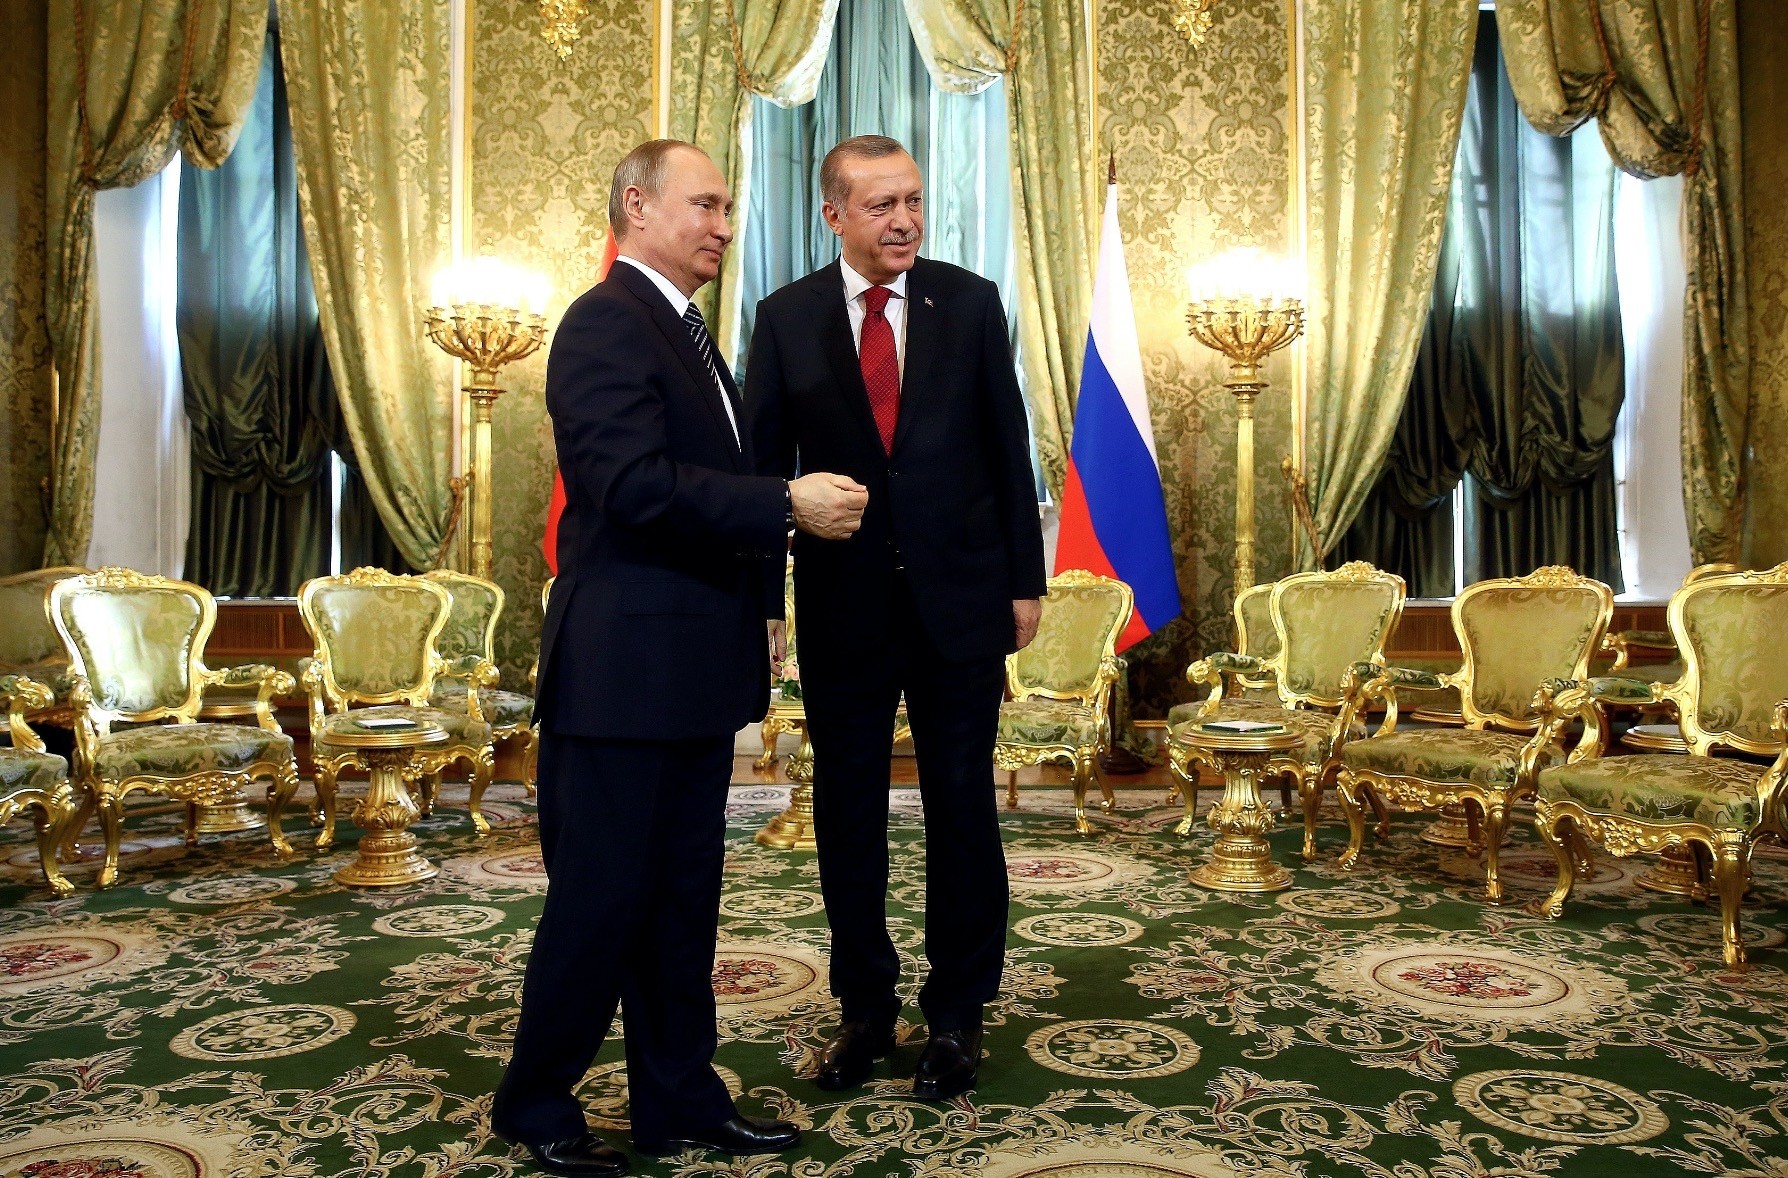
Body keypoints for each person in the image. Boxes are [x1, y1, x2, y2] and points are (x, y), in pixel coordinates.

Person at [492, 138, 867, 1177]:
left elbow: (711, 479)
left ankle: (676, 1096)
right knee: (600, 901)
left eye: (727, 205)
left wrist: (763, 603)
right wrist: (785, 504)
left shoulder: (689, 332)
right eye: (704, 203)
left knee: (679, 903)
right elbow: (630, 485)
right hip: (619, 676)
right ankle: (533, 1100)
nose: (723, 222)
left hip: (690, 673)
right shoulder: (604, 321)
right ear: (636, 205)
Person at [744, 134, 1046, 1101]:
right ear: (833, 214)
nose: (905, 220)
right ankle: (865, 1010)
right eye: (880, 206)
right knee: (847, 813)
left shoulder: (970, 300)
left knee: (963, 808)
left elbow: (1010, 448)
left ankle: (959, 1012)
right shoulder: (784, 317)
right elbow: (762, 473)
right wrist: (765, 601)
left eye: (912, 200)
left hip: (961, 599)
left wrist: (1024, 583)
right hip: (845, 604)